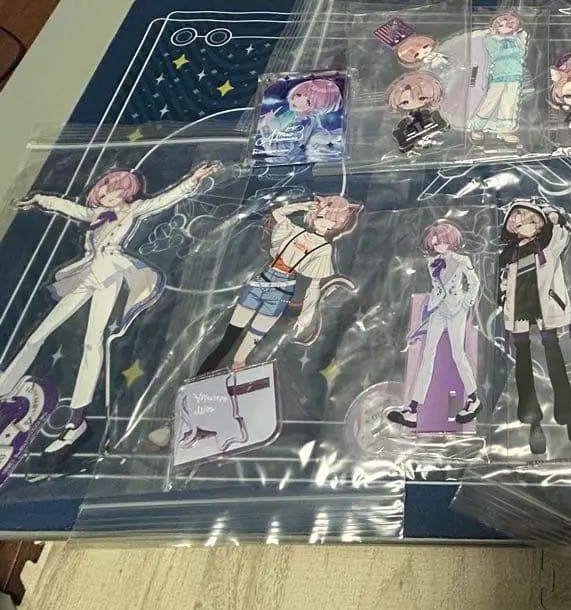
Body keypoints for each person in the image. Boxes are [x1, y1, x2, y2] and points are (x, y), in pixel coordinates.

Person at [0, 161, 220, 455]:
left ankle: (76, 421)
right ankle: (6, 384)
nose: (106, 195)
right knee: (39, 334)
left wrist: (193, 179)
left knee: (93, 343)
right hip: (86, 275)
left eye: (114, 190)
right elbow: (66, 206)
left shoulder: (134, 210)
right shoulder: (94, 215)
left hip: (111, 276)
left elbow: (164, 200)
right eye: (103, 190)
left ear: (126, 193)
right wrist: (39, 198)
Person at [193, 195, 362, 375]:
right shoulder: (295, 230)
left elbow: (314, 286)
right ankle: (201, 376)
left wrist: (306, 315)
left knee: (249, 344)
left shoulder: (324, 249)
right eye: (321, 215)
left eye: (331, 219)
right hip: (262, 282)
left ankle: (236, 373)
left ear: (336, 225)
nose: (323, 220)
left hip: (282, 290)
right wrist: (305, 205)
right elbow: (278, 213)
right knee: (230, 336)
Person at [498, 202, 571, 455]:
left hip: (545, 307)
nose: (525, 226)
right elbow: (503, 281)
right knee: (523, 363)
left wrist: (555, 218)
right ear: (512, 228)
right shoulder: (509, 254)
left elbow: (562, 235)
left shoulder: (548, 246)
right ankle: (533, 422)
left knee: (554, 358)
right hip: (518, 309)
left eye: (530, 221)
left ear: (538, 223)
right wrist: (503, 299)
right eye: (518, 223)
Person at [387, 220, 482, 428]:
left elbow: (474, 282)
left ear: (452, 241)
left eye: (443, 241)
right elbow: (438, 286)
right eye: (436, 243)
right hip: (438, 309)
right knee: (427, 355)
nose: (439, 246)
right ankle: (413, 409)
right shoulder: (432, 262)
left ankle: (473, 399)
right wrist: (431, 305)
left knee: (458, 354)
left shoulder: (462, 259)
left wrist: (467, 302)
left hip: (457, 309)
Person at [469, 13, 529, 144]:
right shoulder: (491, 39)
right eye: (501, 25)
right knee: (491, 101)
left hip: (515, 74)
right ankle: (477, 126)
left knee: (509, 103)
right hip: (498, 75)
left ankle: (504, 131)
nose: (505, 28)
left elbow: (522, 53)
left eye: (509, 26)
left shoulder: (516, 39)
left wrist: (515, 43)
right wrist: (512, 50)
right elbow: (496, 54)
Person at [387, 71, 448, 153]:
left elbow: (441, 124)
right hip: (413, 134)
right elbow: (401, 134)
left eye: (422, 98)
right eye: (405, 102)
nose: (415, 103)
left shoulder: (429, 114)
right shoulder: (406, 121)